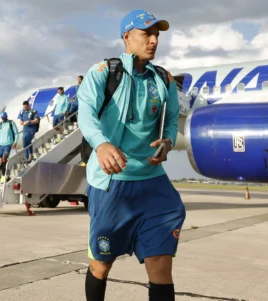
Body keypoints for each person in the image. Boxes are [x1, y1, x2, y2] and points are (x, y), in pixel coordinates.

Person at [77, 9, 185, 301]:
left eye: (157, 35)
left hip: (152, 182)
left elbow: (172, 119)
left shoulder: (163, 79)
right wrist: (101, 144)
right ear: (127, 37)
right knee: (101, 263)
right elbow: (85, 114)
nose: (153, 41)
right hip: (112, 183)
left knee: (161, 264)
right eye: (146, 34)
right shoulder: (103, 73)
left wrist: (168, 141)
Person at [0, 112, 19, 183]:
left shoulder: (11, 123)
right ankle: (3, 175)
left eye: (4, 118)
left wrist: (15, 142)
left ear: (6, 117)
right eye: (2, 118)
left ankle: (4, 175)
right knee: (1, 160)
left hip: (8, 143)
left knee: (4, 158)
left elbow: (16, 133)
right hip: (0, 144)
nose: (3, 119)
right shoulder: (0, 124)